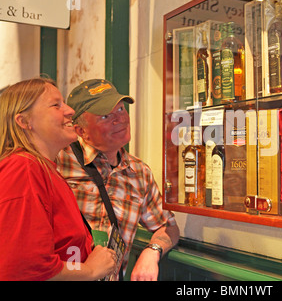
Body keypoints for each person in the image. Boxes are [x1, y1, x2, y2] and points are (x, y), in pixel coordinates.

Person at [57, 79, 180, 281]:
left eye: (121, 110)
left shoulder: (138, 172)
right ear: (81, 131)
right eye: (105, 116)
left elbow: (167, 227)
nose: (119, 120)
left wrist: (152, 251)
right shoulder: (59, 162)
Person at [0, 78, 116, 281]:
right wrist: (90, 270)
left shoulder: (45, 168)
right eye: (56, 105)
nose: (71, 110)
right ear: (25, 121)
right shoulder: (23, 167)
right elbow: (23, 266)